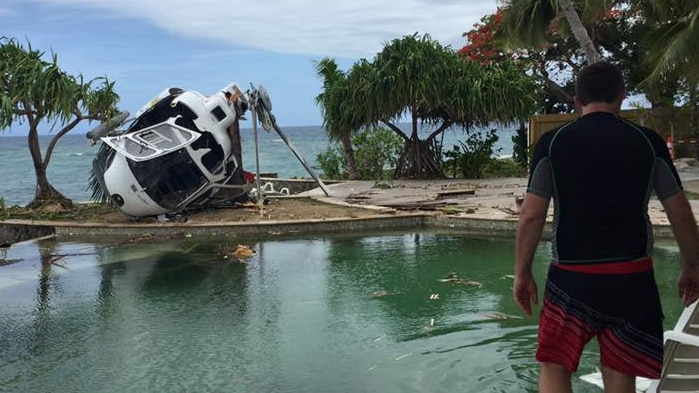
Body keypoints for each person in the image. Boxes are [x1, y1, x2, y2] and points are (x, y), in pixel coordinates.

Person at [514, 61, 699, 393]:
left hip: (571, 278)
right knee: (619, 370)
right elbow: (681, 213)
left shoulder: (553, 144)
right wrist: (692, 264)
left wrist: (522, 272)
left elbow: (530, 215)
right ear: (622, 97)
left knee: (555, 366)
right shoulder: (648, 143)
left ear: (576, 100)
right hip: (632, 278)